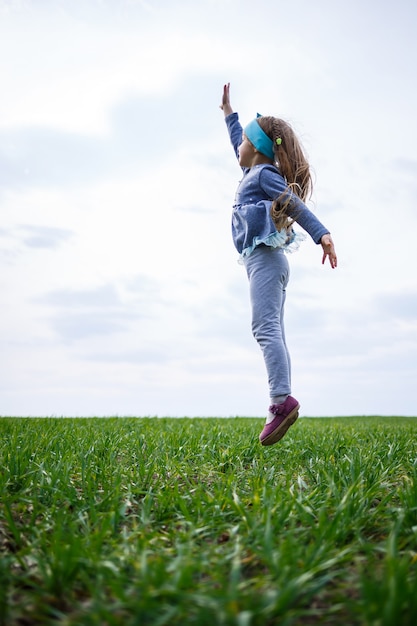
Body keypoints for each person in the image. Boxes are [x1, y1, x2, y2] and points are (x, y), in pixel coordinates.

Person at [220, 83, 337, 446]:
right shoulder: (253, 170)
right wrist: (229, 115)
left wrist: (322, 234)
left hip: (266, 261)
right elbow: (239, 141)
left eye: (244, 142)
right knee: (271, 329)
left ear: (255, 149)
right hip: (265, 261)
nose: (238, 145)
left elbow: (294, 205)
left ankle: (280, 401)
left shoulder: (263, 174)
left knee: (265, 329)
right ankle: (279, 399)